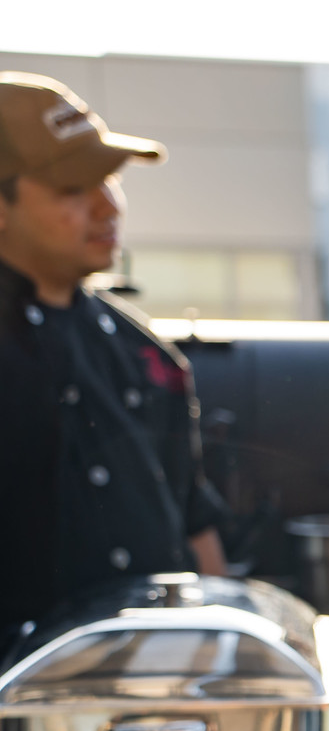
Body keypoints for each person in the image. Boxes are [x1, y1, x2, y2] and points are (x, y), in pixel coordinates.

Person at [0, 73, 227, 652]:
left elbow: (193, 523)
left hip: (146, 693)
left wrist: (219, 650)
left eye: (108, 180)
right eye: (73, 188)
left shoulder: (143, 351)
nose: (108, 205)